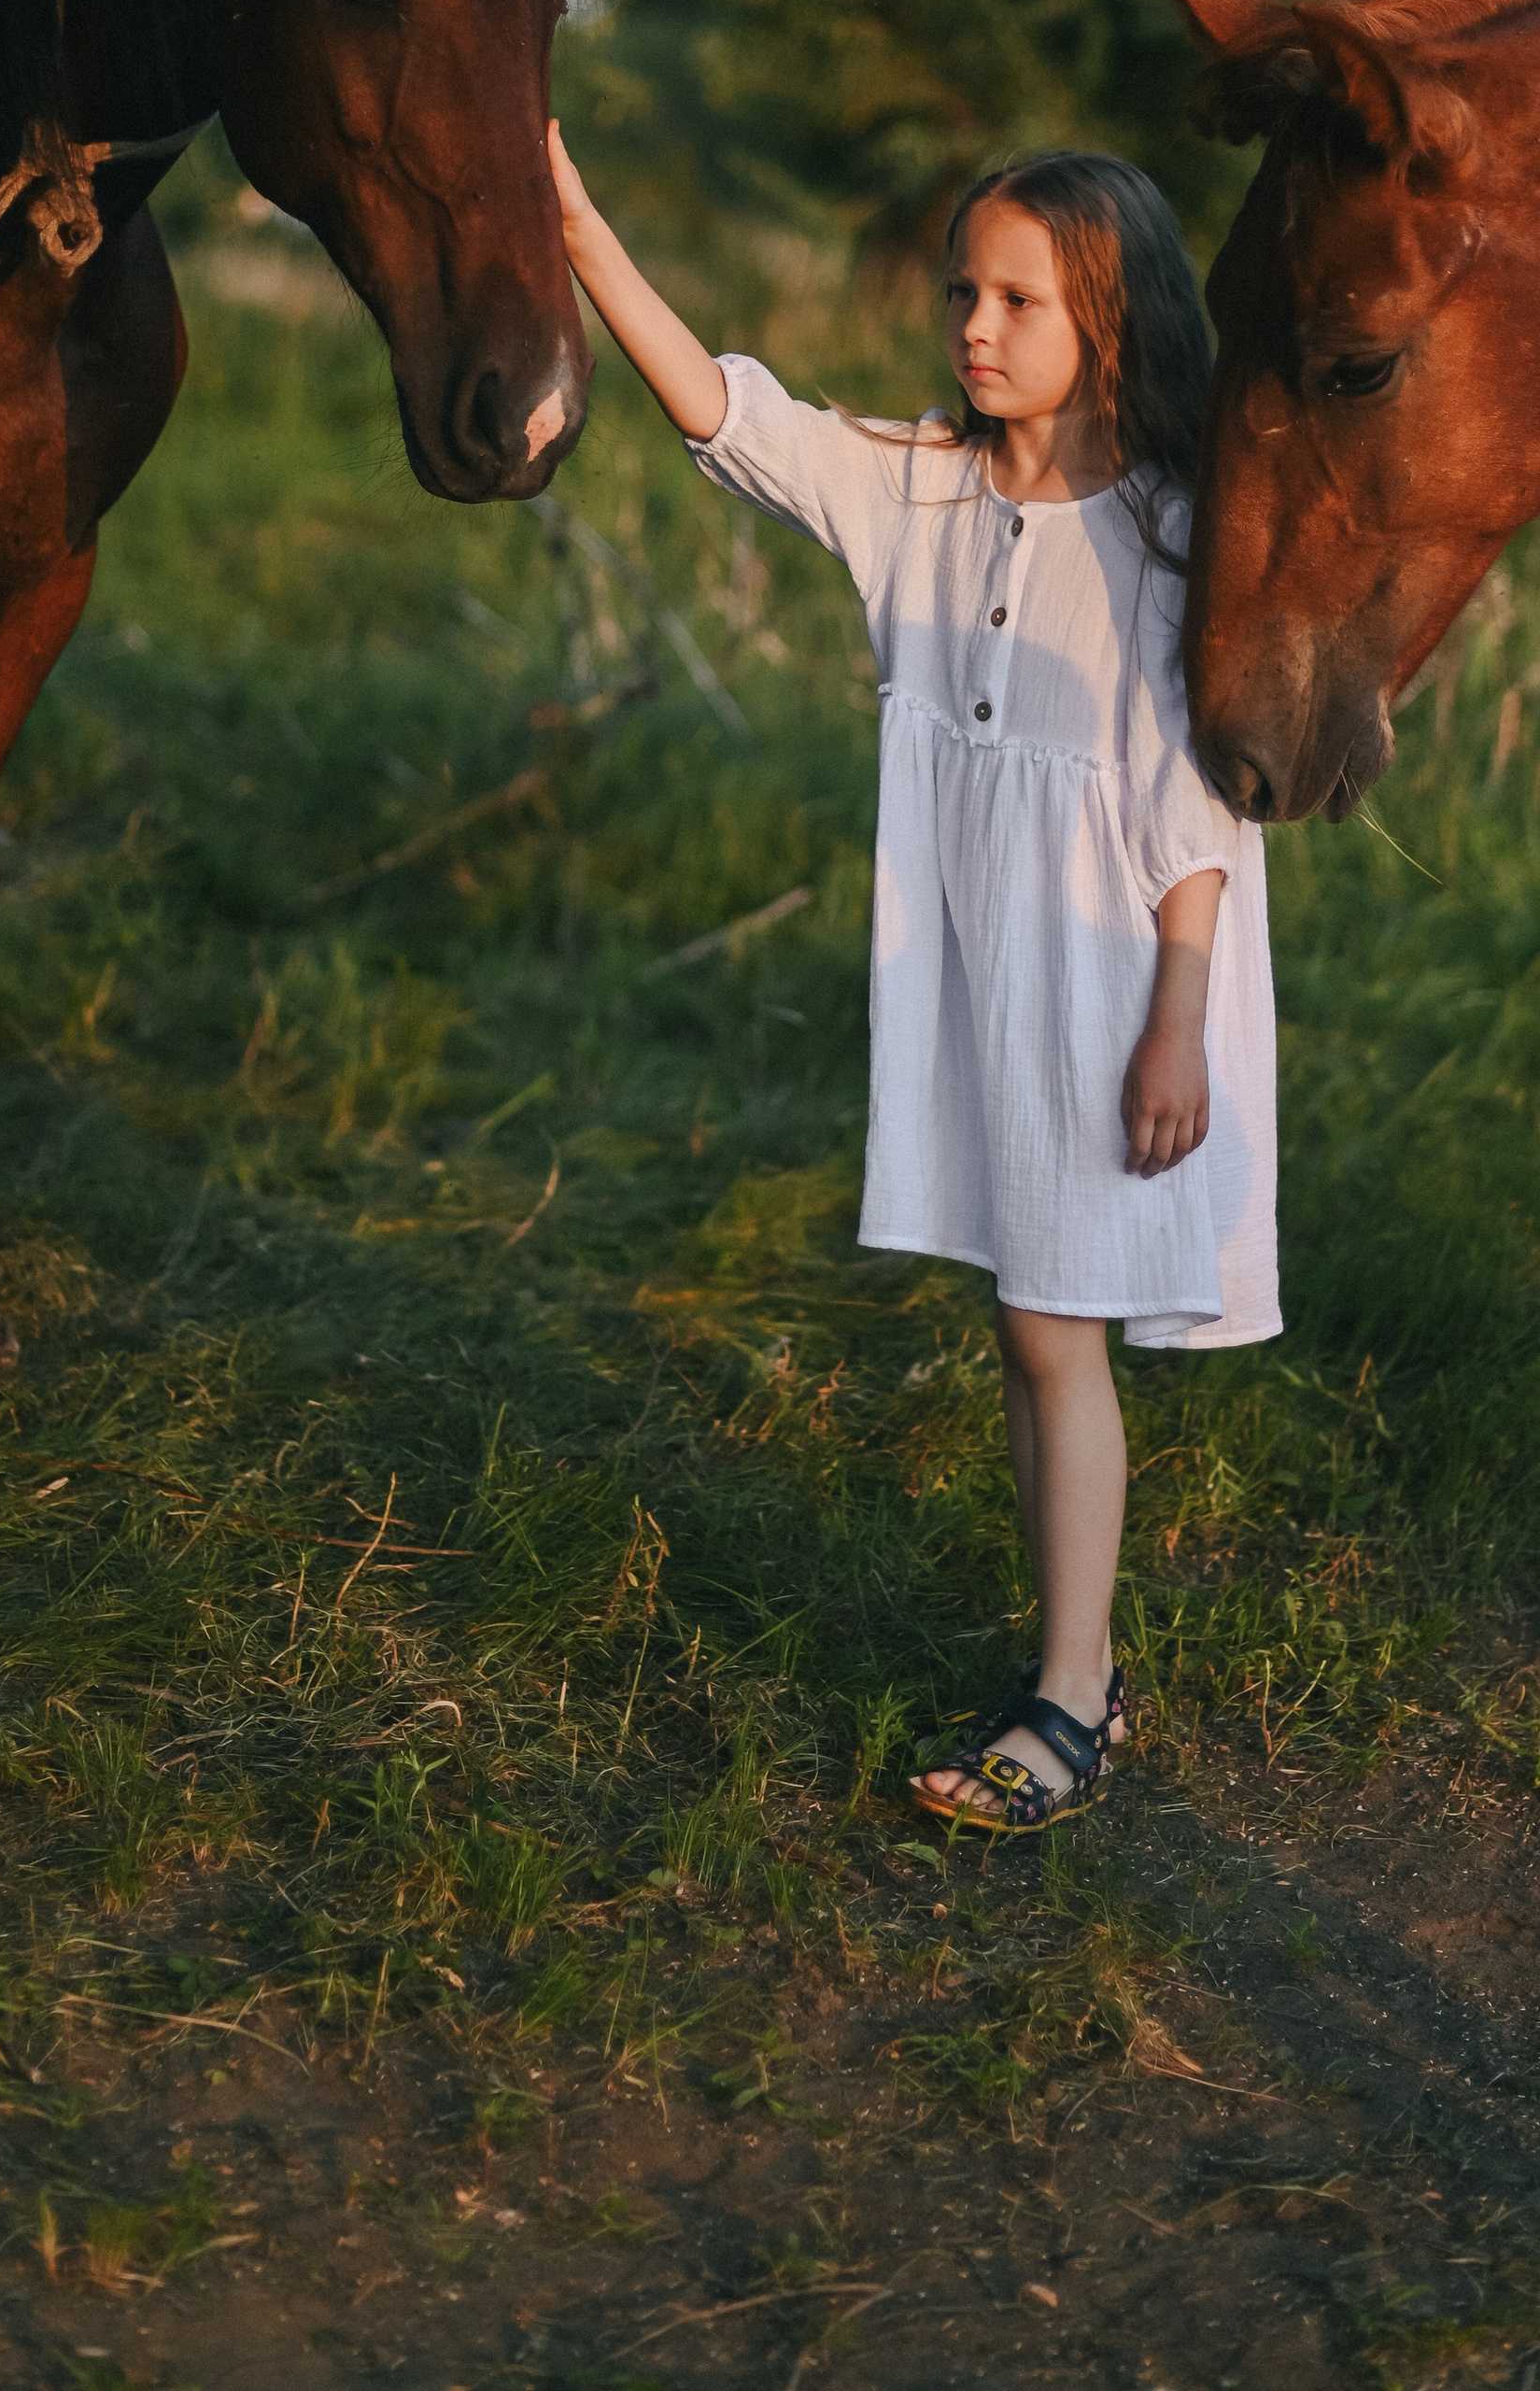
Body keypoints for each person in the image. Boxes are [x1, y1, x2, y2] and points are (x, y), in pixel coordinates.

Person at [546, 128, 1278, 1834]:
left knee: (1048, 1319)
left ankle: (1074, 1700)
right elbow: (731, 416)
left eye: (1020, 297)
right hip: (979, 962)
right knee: (1026, 1317)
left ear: (1112, 316)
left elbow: (1193, 809)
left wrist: (1178, 1017)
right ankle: (1071, 1651)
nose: (975, 323)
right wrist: (578, 219)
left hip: (1113, 970)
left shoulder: (1171, 530)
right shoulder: (922, 489)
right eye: (965, 288)